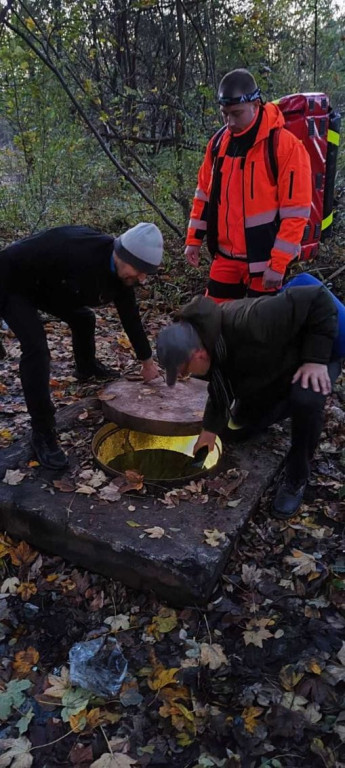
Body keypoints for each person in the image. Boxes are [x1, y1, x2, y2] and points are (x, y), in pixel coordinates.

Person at [156, 286, 341, 519]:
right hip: (274, 366)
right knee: (235, 430)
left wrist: (315, 359)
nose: (187, 377)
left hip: (317, 355)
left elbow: (317, 298)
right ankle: (279, 406)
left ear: (198, 354)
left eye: (184, 371)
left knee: (305, 399)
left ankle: (296, 477)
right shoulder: (208, 341)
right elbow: (220, 386)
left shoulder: (251, 319)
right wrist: (209, 430)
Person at [0, 222, 163, 470]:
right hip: (12, 282)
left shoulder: (123, 278)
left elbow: (131, 319)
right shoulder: (73, 248)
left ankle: (86, 368)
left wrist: (147, 363)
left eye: (146, 274)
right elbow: (7, 262)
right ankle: (42, 431)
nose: (141, 279)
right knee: (37, 349)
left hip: (49, 286)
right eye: (139, 270)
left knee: (83, 317)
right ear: (122, 255)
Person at [185, 68, 312, 302]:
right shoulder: (218, 144)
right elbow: (203, 195)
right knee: (212, 322)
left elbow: (296, 213)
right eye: (225, 114)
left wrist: (278, 264)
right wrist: (193, 239)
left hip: (265, 262)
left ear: (256, 104)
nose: (229, 122)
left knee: (259, 332)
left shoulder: (285, 146)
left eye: (236, 113)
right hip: (225, 258)